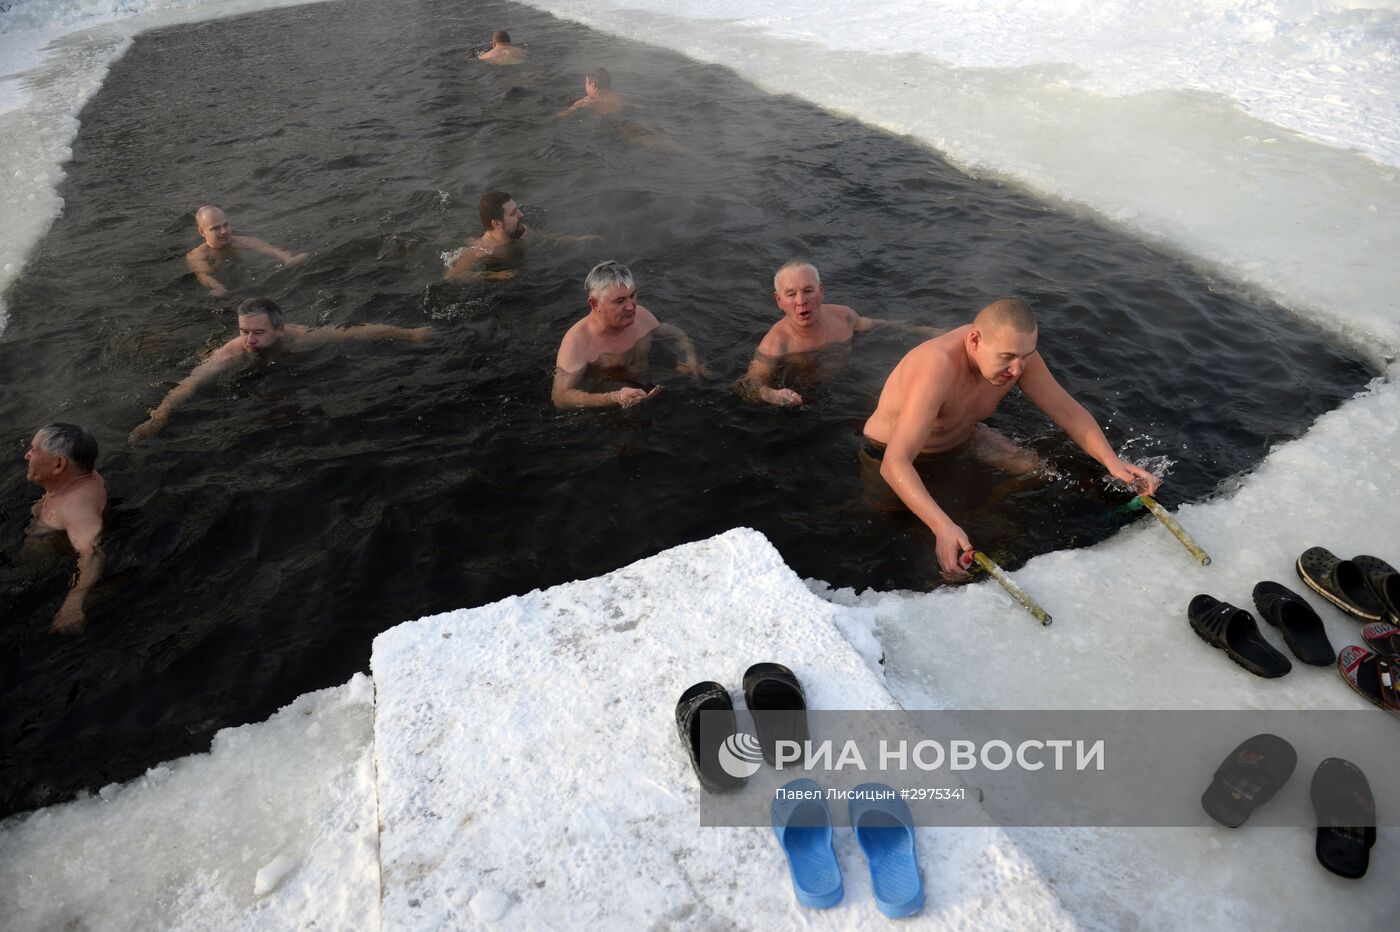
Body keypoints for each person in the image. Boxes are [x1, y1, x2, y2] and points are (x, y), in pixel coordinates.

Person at [862, 297, 1160, 579]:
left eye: (1025, 356)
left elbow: (1066, 410)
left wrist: (1111, 461)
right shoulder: (937, 367)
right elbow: (895, 463)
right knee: (910, 527)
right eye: (1006, 358)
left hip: (967, 438)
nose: (1017, 370)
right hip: (888, 455)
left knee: (1039, 471)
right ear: (975, 340)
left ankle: (1108, 508)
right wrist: (941, 526)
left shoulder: (1018, 358)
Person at [129, 298, 431, 440]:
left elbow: (354, 331)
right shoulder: (231, 353)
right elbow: (189, 384)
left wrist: (410, 334)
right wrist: (159, 417)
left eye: (257, 333)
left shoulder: (302, 337)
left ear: (280, 329)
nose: (248, 339)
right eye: (243, 331)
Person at [746, 260, 941, 406]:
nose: (801, 301)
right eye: (791, 294)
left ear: (821, 291)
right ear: (779, 301)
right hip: (810, 398)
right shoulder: (775, 345)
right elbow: (751, 384)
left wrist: (925, 330)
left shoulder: (843, 316)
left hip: (854, 382)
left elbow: (875, 324)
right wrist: (773, 395)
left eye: (808, 290)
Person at [552, 261, 708, 409]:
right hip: (611, 408)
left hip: (651, 387)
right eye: (619, 301)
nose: (631, 306)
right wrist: (614, 398)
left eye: (632, 295)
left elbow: (676, 334)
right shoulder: (577, 341)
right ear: (595, 304)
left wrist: (690, 358)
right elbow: (560, 397)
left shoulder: (640, 315)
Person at [24, 423, 107, 632]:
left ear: (58, 464)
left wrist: (73, 604)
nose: (27, 455)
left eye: (34, 450)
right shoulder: (83, 477)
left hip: (51, 562)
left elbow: (92, 553)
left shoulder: (76, 508)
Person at [444, 192, 600, 282]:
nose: (521, 214)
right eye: (513, 213)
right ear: (497, 223)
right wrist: (493, 275)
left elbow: (546, 238)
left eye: (517, 209)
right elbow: (452, 277)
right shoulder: (479, 250)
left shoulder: (520, 231)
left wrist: (579, 240)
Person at [186, 205, 308, 296]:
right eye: (216, 228)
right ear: (202, 232)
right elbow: (204, 275)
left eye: (226, 225)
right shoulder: (197, 255)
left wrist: (288, 258)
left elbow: (268, 248)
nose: (224, 231)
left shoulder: (240, 241)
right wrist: (218, 288)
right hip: (227, 283)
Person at [558, 67, 626, 116]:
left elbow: (568, 112)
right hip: (621, 114)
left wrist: (554, 117)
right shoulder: (620, 96)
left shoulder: (589, 100)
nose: (585, 84)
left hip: (610, 120)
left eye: (586, 82)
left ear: (592, 85)